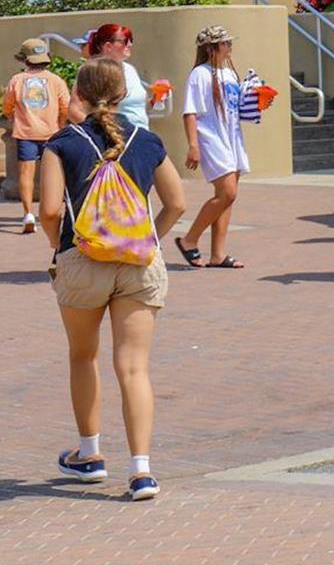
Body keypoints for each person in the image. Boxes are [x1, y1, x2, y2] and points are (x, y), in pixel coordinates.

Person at [42, 57, 185, 502]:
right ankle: (141, 471)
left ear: (78, 95)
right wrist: (147, 241)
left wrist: (60, 246)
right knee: (134, 367)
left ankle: (90, 455)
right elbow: (176, 203)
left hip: (83, 261)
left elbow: (49, 211)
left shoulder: (61, 143)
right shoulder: (148, 140)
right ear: (124, 94)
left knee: (83, 357)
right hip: (139, 266)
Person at [171, 26, 248, 269]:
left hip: (232, 137)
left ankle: (219, 253)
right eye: (224, 43)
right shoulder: (200, 75)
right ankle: (189, 239)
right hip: (211, 137)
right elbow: (190, 112)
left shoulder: (229, 74)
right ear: (211, 48)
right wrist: (193, 145)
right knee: (228, 192)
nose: (229, 47)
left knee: (227, 197)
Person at [7, 39, 70, 233]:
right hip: (52, 133)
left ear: (25, 59)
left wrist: (13, 118)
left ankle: (28, 213)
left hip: (25, 133)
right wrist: (60, 124)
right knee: (55, 174)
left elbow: (7, 105)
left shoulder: (17, 80)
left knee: (26, 174)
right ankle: (54, 211)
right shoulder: (56, 80)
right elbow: (66, 106)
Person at [82, 24, 151, 129]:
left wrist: (155, 100)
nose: (130, 44)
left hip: (139, 136)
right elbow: (75, 110)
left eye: (131, 40)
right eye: (124, 41)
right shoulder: (94, 71)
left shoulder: (130, 70)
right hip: (115, 138)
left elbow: (136, 109)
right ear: (108, 46)